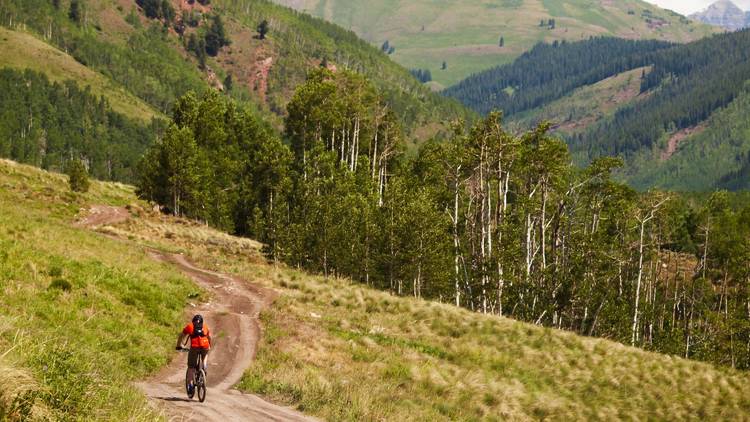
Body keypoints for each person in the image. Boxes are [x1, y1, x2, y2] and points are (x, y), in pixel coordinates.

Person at [176, 314, 212, 396]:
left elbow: (181, 336)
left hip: (194, 348)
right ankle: (204, 367)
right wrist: (209, 345)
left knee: (191, 367)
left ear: (193, 321)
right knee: (205, 355)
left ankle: (190, 386)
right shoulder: (205, 327)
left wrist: (179, 345)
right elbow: (209, 337)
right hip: (205, 346)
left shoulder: (189, 326)